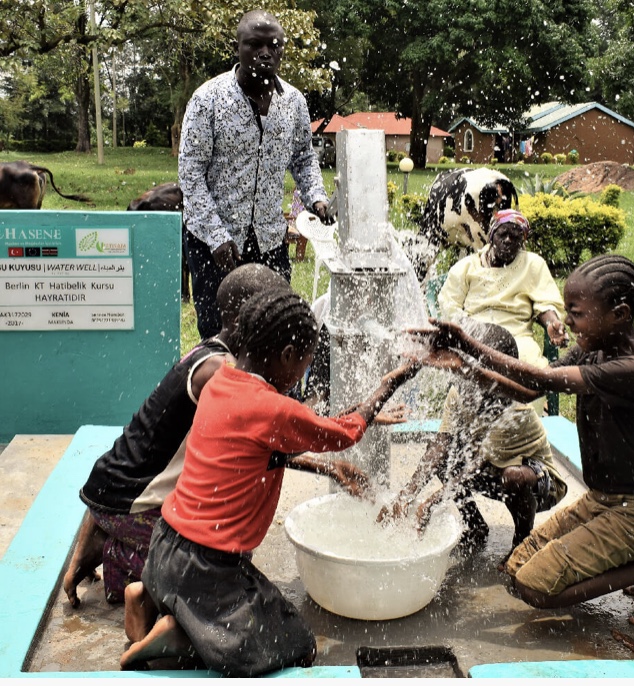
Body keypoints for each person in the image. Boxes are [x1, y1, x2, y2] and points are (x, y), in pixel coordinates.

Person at [120, 289, 421, 676]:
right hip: (207, 569)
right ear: (288, 355)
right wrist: (391, 382)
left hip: (163, 549)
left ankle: (146, 596)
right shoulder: (273, 408)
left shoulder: (221, 383)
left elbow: (292, 430)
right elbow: (342, 434)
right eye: (307, 361)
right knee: (293, 643)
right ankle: (178, 639)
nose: (304, 371)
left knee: (229, 605)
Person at [415, 255, 634, 632]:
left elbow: (544, 379)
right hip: (601, 500)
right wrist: (467, 368)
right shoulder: (594, 350)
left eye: (577, 313)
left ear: (619, 314)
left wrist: (469, 346)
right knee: (514, 567)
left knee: (534, 588)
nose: (567, 321)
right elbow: (530, 389)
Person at [63, 264, 292, 608]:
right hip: (132, 500)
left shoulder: (211, 351)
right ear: (253, 320)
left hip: (114, 485)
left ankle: (111, 539)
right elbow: (263, 443)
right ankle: (115, 549)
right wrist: (331, 465)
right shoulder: (222, 373)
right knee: (216, 575)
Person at [179, 9, 331, 339]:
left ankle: (265, 391)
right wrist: (217, 235)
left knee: (275, 328)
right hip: (213, 241)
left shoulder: (294, 102)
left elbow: (303, 158)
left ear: (281, 49)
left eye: (272, 45)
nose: (264, 52)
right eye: (254, 45)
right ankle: (219, 389)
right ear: (239, 47)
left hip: (269, 238)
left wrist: (317, 198)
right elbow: (191, 174)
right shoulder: (208, 99)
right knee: (219, 333)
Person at [378, 321, 566, 558]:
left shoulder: (514, 410)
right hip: (493, 471)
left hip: (539, 486)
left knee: (514, 476)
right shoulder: (459, 393)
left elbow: (474, 465)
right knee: (442, 456)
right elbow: (440, 445)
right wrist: (406, 495)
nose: (467, 378)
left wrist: (429, 504)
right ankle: (475, 526)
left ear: (498, 375)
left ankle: (522, 542)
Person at [437, 208, 568, 370]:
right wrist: (470, 330)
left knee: (533, 373)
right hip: (476, 334)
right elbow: (449, 304)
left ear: (522, 242)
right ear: (492, 236)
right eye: (502, 234)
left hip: (519, 337)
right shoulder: (467, 266)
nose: (507, 240)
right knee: (472, 373)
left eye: (514, 237)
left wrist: (552, 322)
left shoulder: (533, 264)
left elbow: (546, 302)